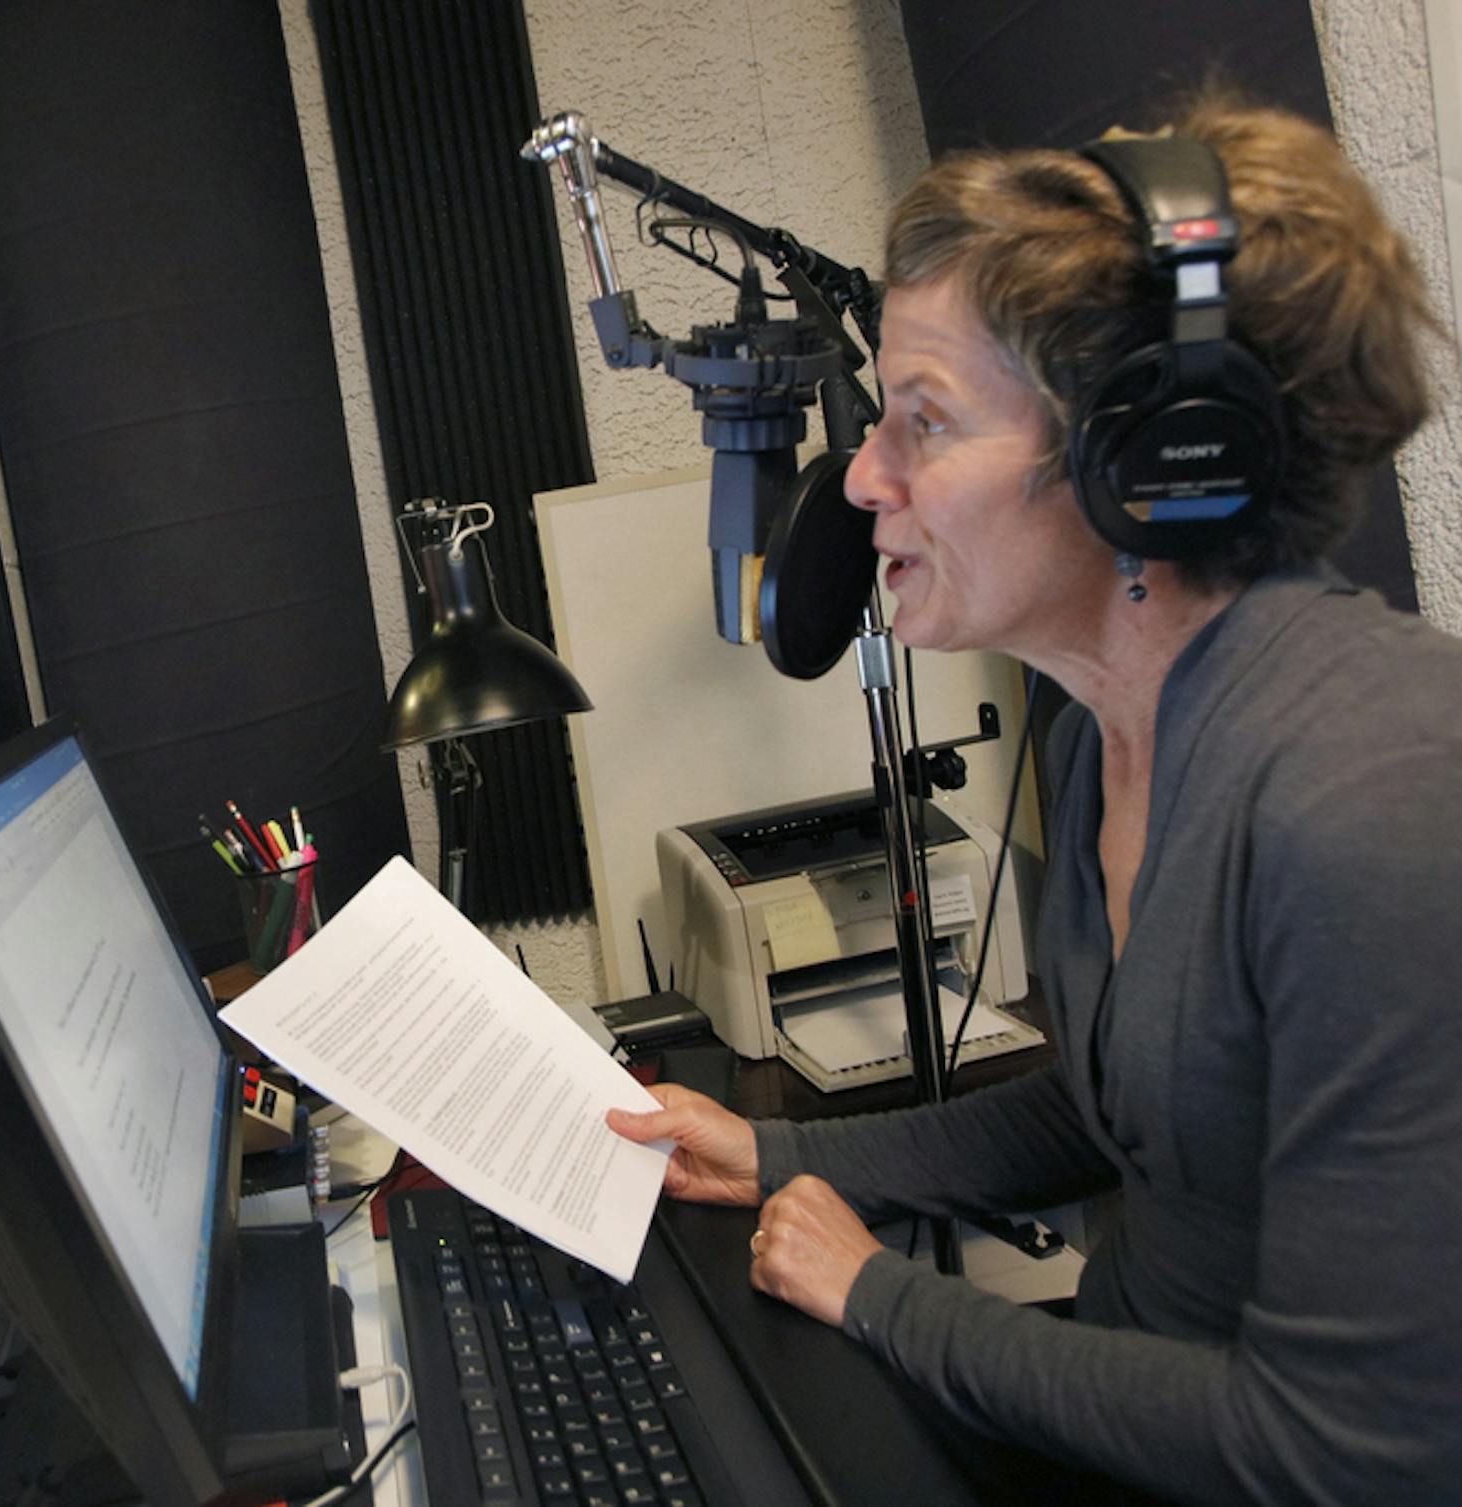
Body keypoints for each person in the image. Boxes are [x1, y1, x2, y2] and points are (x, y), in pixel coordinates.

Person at [608, 94, 1462, 1504]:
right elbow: (1119, 1110)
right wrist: (774, 1153)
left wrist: (883, 1296)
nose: (866, 478)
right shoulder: (1100, 740)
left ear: (1145, 462)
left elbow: (1345, 1449)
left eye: (924, 422)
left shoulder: (1368, 804)